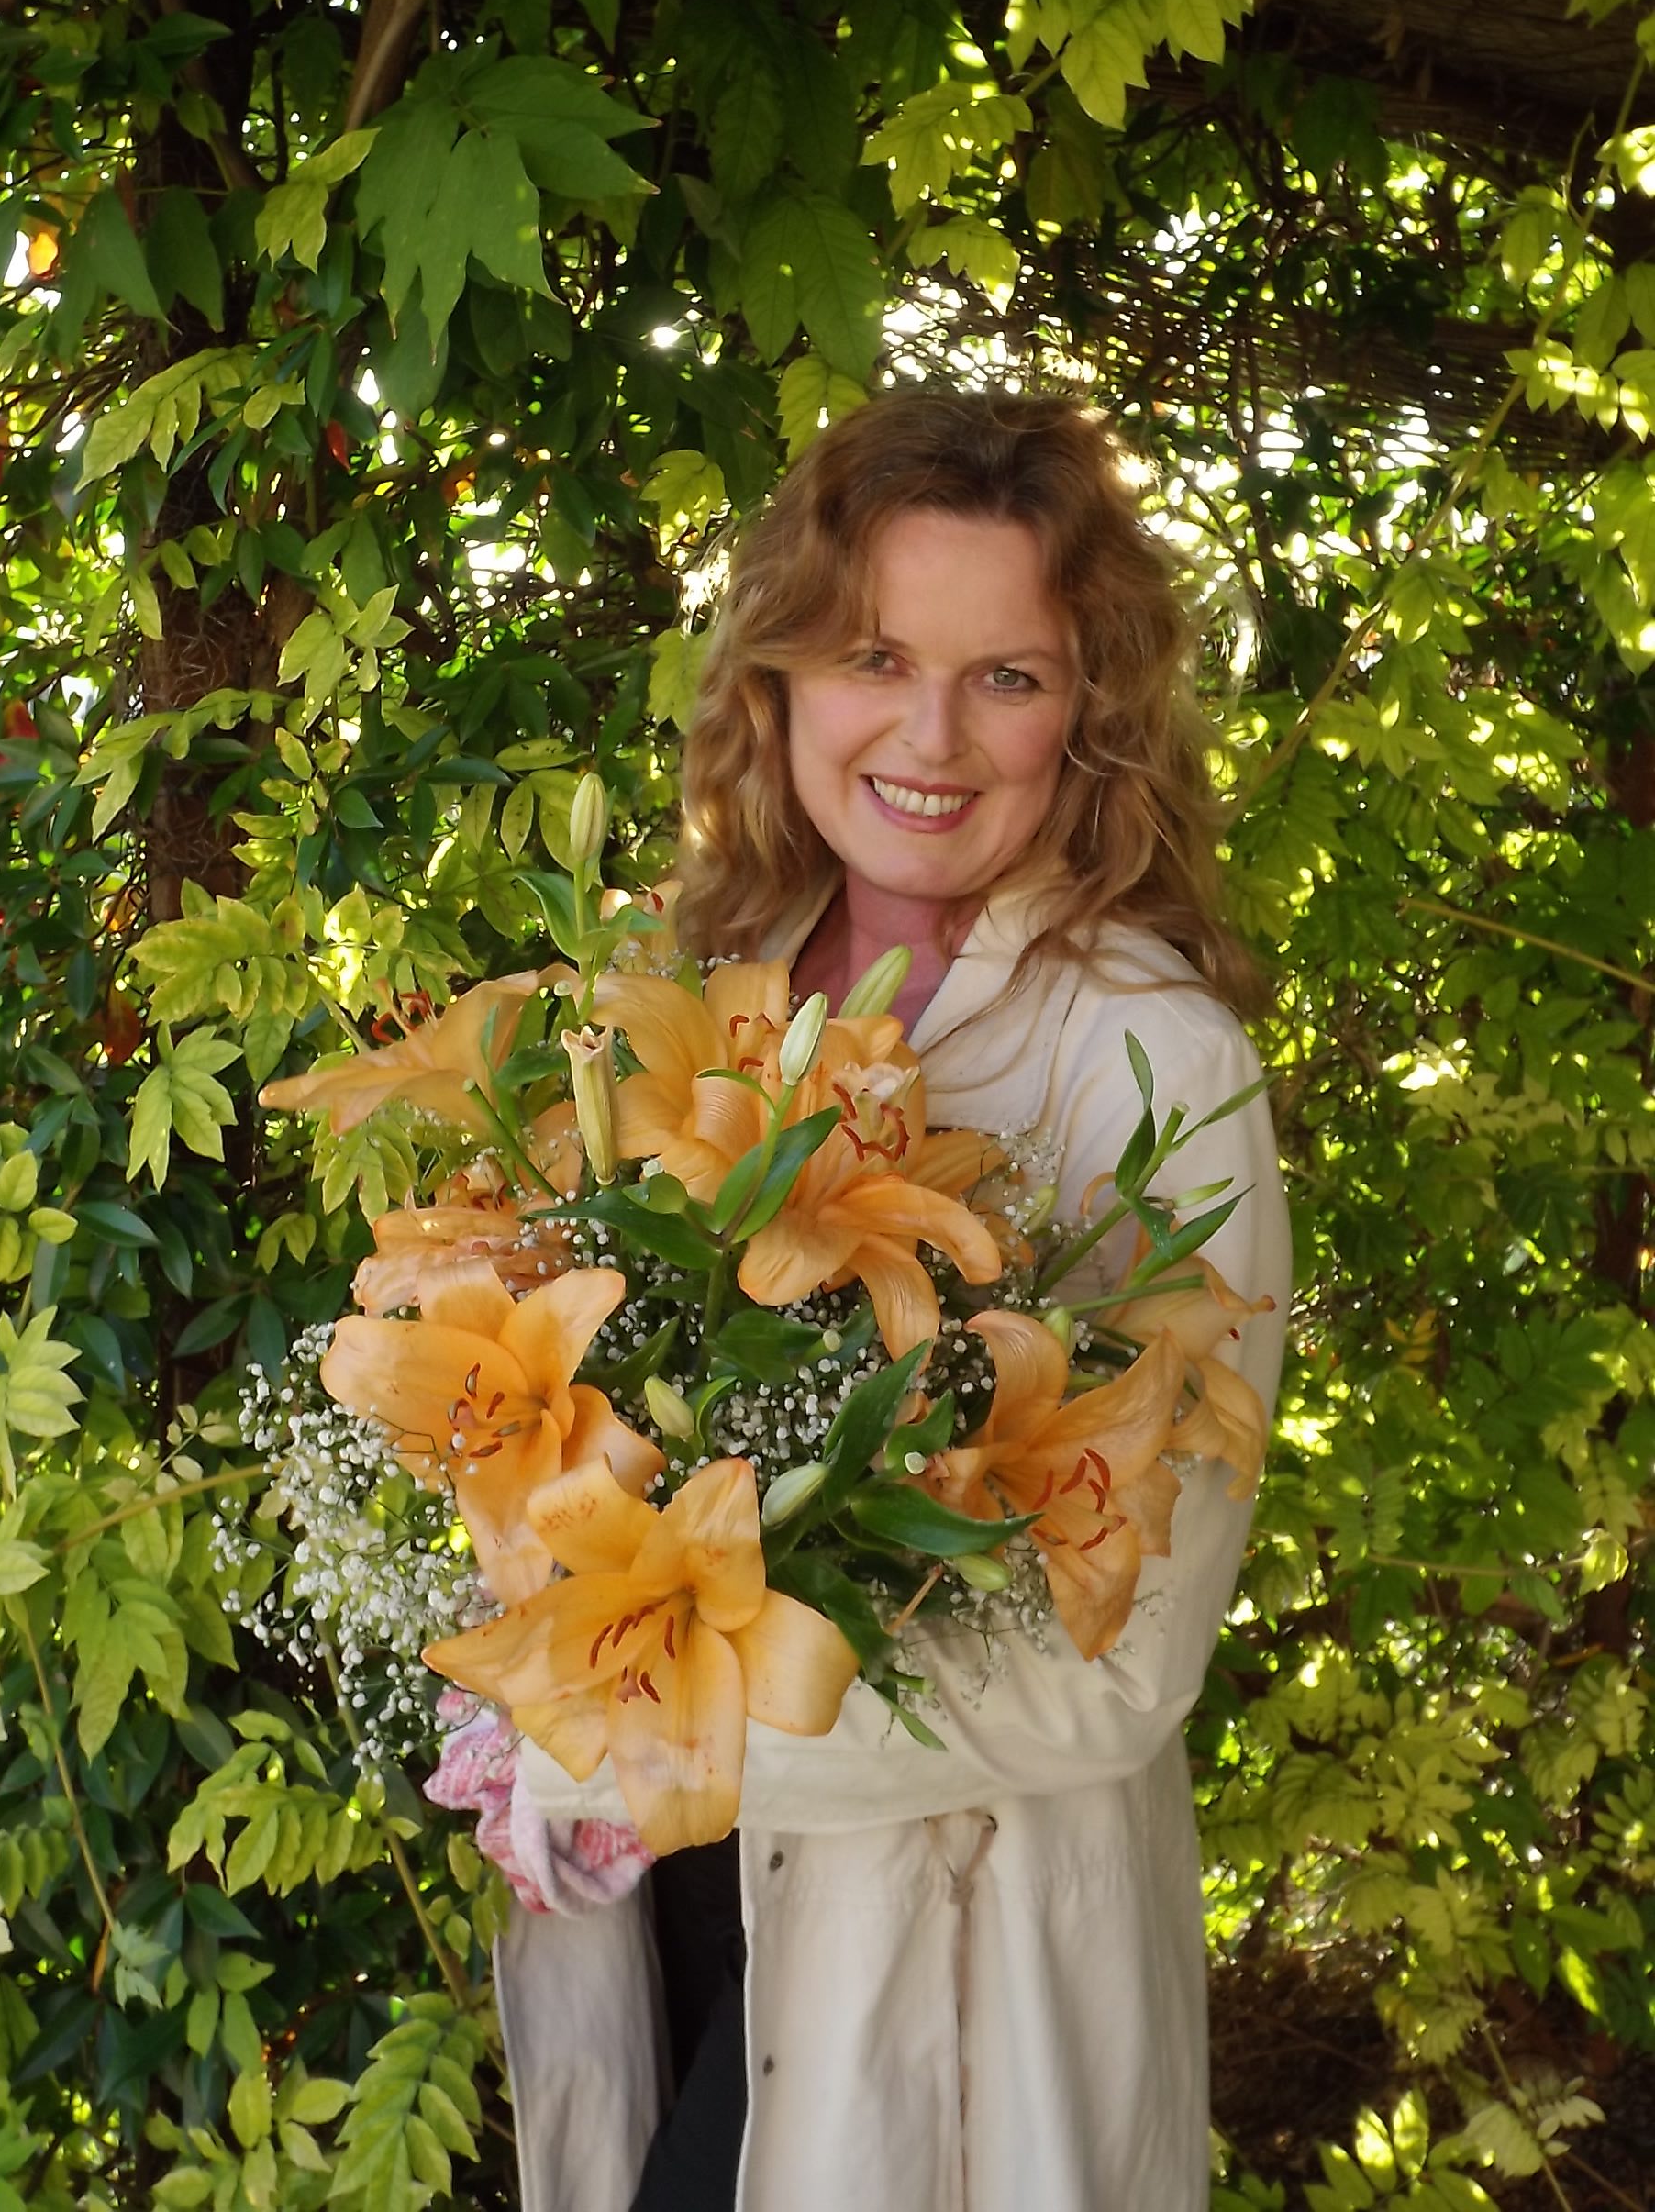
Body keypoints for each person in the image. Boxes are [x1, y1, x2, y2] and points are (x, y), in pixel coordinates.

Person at [497, 385, 1292, 2212]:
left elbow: (1120, 1671)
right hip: (680, 1915)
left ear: (1087, 713)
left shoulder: (1152, 1066)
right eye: (873, 654)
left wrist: (645, 1754)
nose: (928, 737)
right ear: (775, 678)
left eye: (1006, 676)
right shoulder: (700, 985)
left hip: (949, 1963)